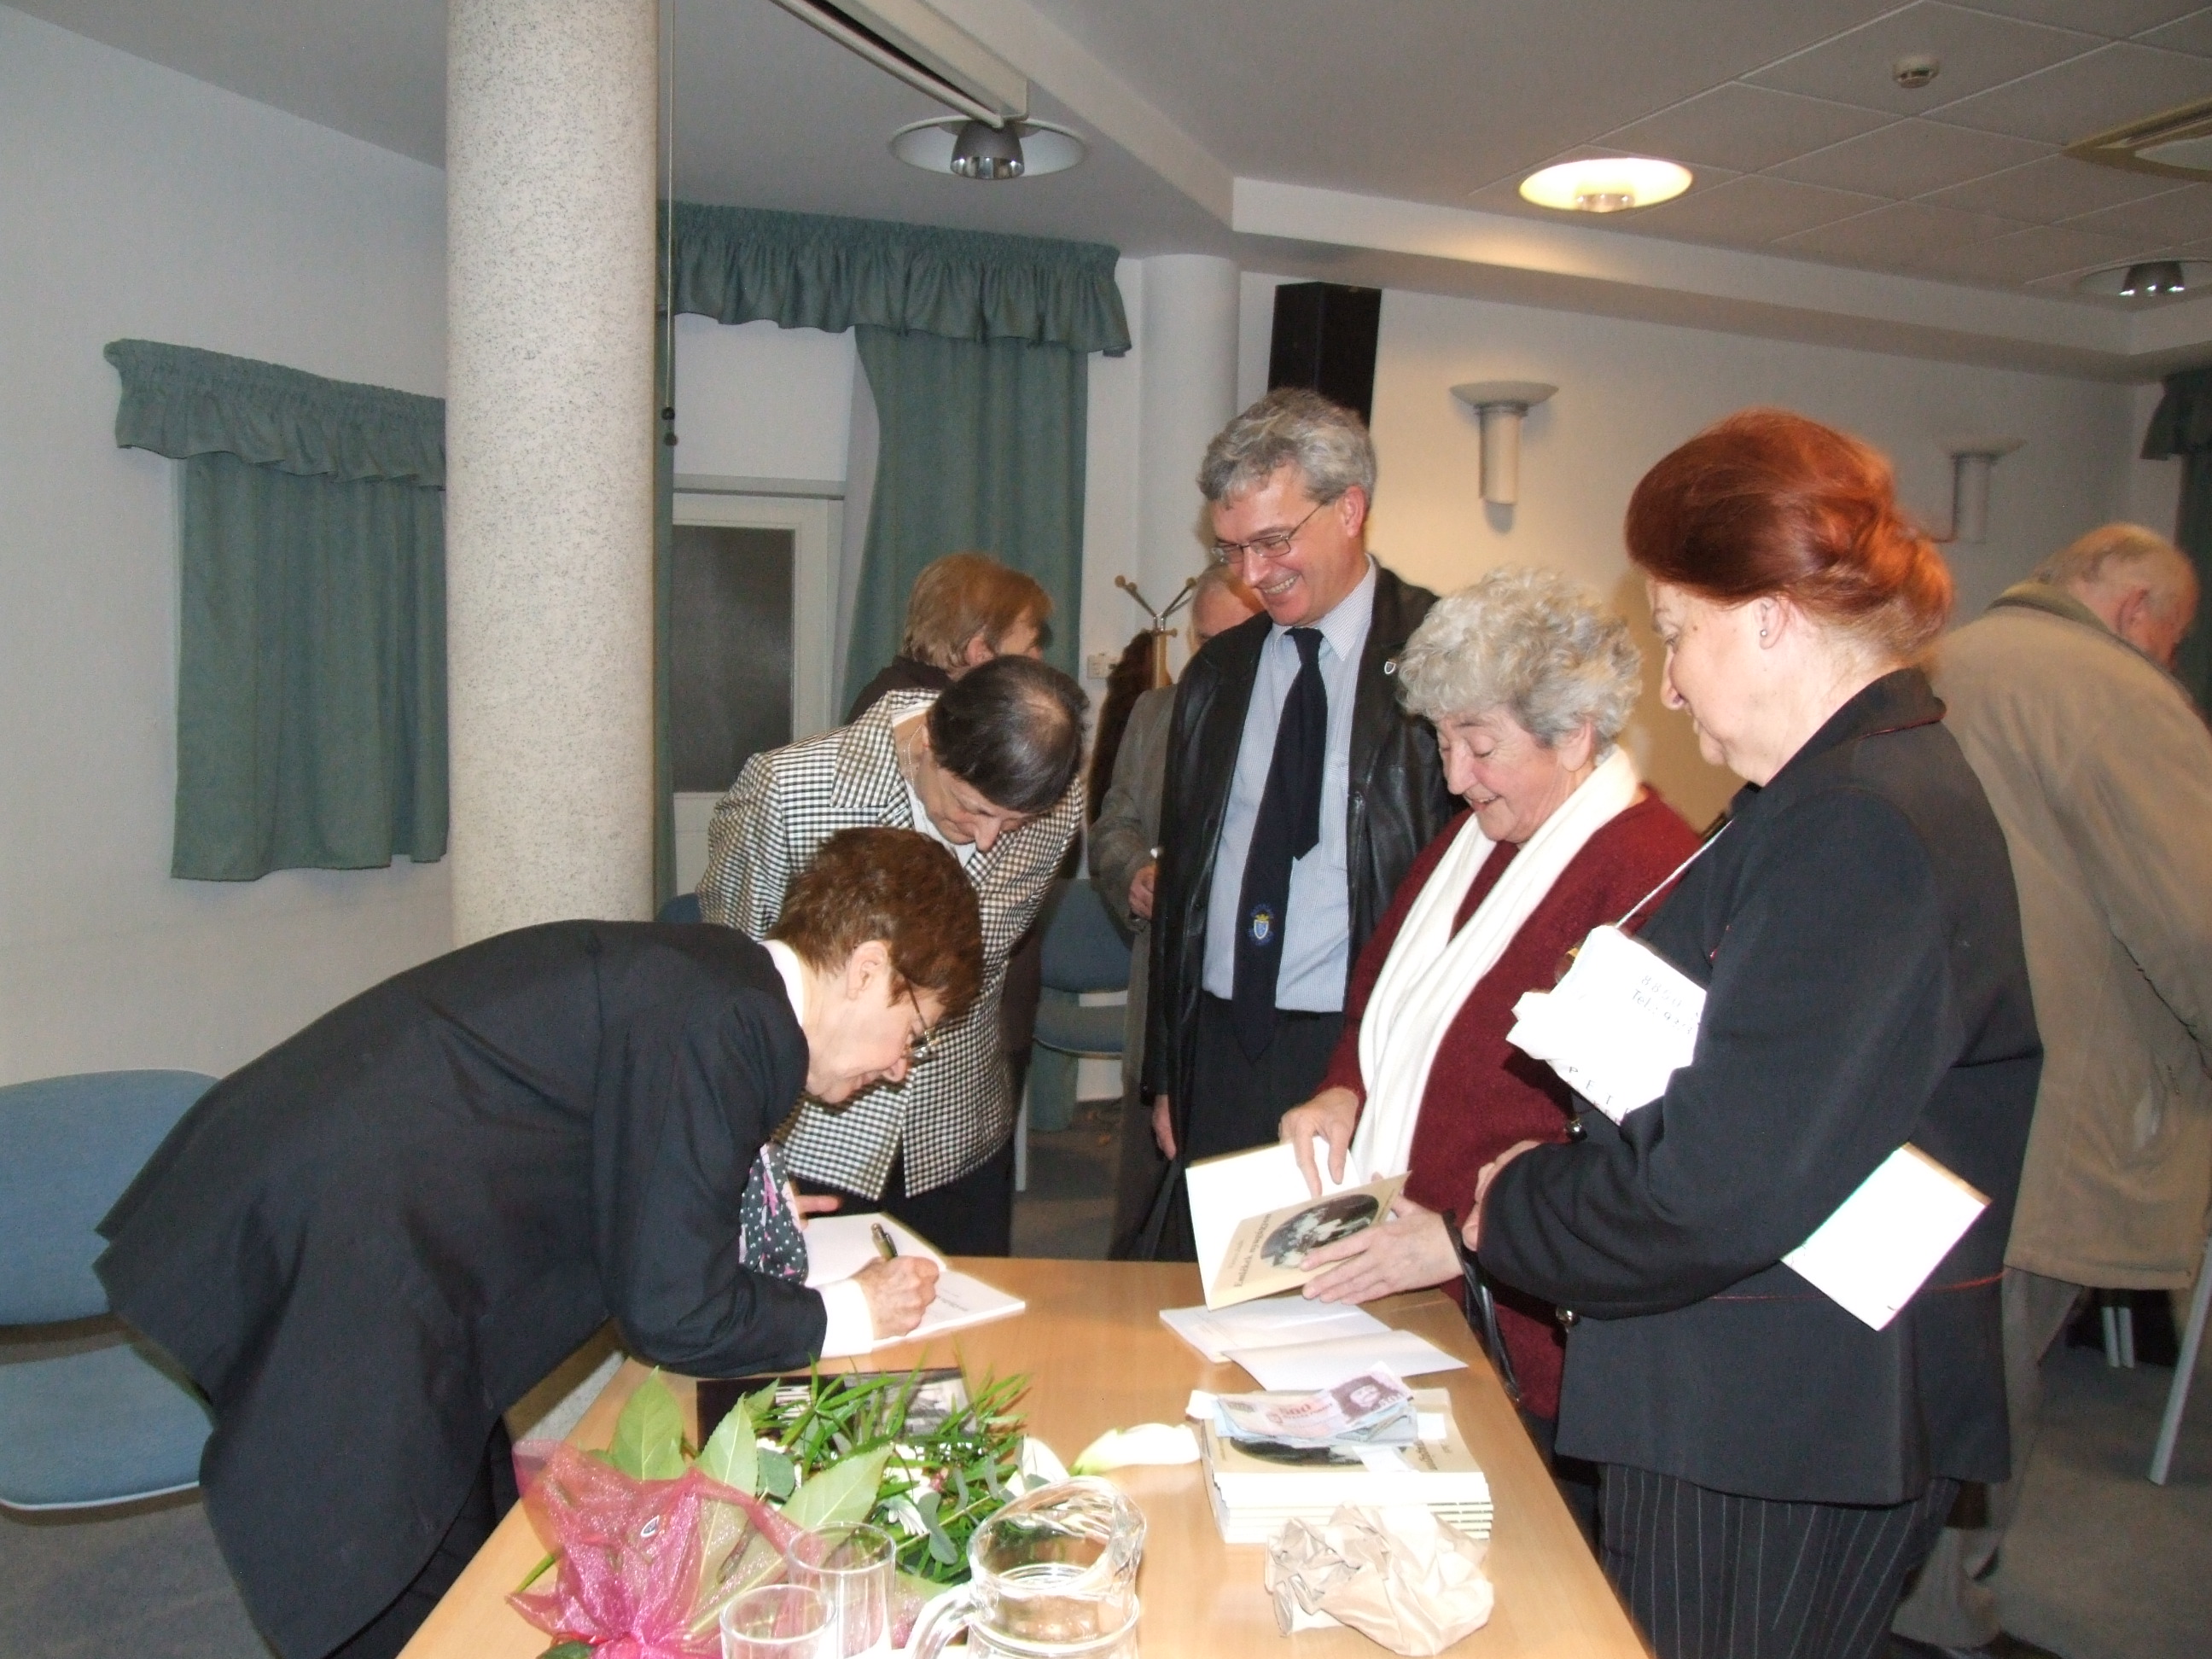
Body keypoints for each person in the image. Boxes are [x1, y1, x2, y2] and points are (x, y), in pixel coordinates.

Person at [93, 827, 975, 1659]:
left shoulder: (716, 984)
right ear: (868, 970)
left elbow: (615, 1146)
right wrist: (850, 1311)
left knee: (475, 1564)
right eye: (917, 1033)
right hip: (349, 1257)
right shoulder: (728, 1021)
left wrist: (727, 1203)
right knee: (401, 1599)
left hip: (355, 1223)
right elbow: (676, 1314)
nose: (901, 1066)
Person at [1469, 410, 2041, 1659]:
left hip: (1780, 1415)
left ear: (1771, 619)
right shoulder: (1839, 791)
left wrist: (1519, 1207)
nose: (1669, 683)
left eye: (1678, 631)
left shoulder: (1857, 826)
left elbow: (1717, 1186)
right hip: (1773, 1391)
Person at [1276, 568, 1699, 1504]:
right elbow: (1381, 991)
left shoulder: (1651, 874)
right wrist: (1344, 1088)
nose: (1454, 777)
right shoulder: (1479, 836)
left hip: (1526, 1331)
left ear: (1575, 733)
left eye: (1480, 744)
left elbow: (1637, 1151)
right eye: (1441, 741)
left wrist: (1466, 1247)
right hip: (1405, 1292)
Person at [1891, 524, 2212, 1659]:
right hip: (2054, 1110)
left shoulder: (1939, 663)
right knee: (1994, 1376)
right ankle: (1939, 1616)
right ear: (2134, 614)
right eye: (2171, 640)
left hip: (1923, 1087)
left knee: (1921, 1362)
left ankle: (1896, 1599)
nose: (2168, 661)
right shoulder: (2118, 696)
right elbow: (2197, 921)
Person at [1143, 388, 1457, 1254]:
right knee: (1209, 1277)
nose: (1252, 574)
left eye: (1274, 541)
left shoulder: (1440, 655)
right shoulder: (1218, 676)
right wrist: (1168, 1072)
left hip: (1355, 1047)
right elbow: (1184, 887)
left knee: (1336, 1282)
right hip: (1222, 1033)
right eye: (1232, 549)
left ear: (1349, 509)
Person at [699, 655, 1086, 1256]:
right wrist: (746, 1158)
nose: (989, 838)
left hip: (959, 1127)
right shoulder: (790, 789)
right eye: (973, 807)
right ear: (929, 741)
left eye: (1013, 823)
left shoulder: (1054, 805)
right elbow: (731, 983)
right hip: (813, 1135)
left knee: (967, 1310)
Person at [844, 552, 1056, 1138]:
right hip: (941, 1016)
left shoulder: (885, 697)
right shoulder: (918, 728)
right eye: (1030, 644)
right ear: (981, 652)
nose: (1039, 660)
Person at [1090, 564, 1263, 1255]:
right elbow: (1113, 824)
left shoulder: (1290, 720)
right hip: (1161, 998)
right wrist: (1132, 873)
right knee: (1145, 1197)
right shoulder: (1155, 714)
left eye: (1232, 639)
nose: (1212, 658)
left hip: (1248, 1004)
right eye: (1204, 640)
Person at [845, 551, 1051, 720]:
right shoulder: (937, 729)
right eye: (1029, 648)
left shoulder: (891, 695)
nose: (1038, 657)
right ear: (981, 653)